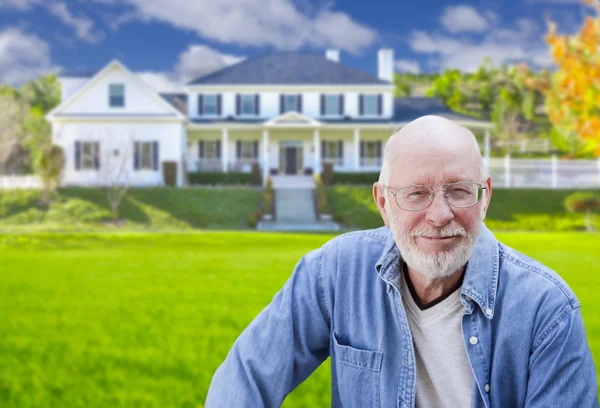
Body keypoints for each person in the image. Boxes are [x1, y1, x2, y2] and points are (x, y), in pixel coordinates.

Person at [205, 115, 598, 407]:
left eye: (460, 191)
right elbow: (246, 377)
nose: (440, 214)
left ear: (485, 196)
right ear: (382, 202)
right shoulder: (334, 273)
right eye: (416, 193)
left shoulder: (548, 311)